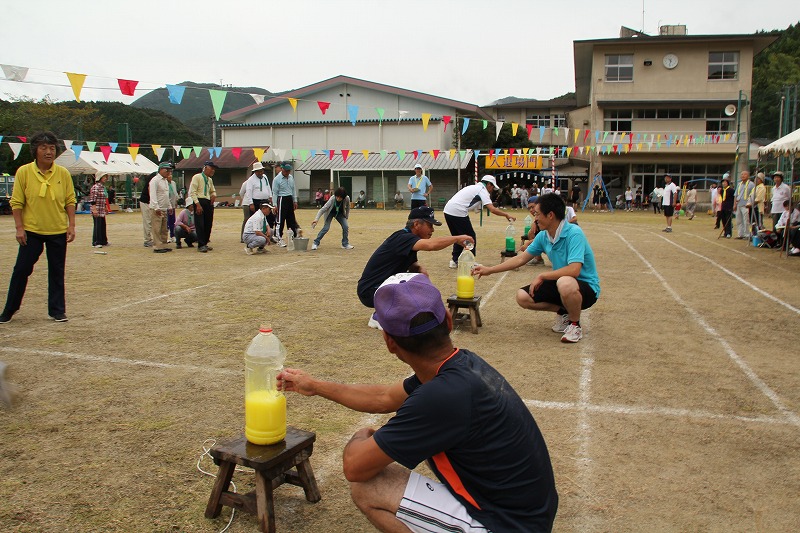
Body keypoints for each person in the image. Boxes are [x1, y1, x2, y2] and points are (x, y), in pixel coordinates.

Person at [278, 273, 558, 532]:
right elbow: (384, 398)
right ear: (448, 322)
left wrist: (361, 436)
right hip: (526, 513)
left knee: (368, 487)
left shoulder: (441, 396)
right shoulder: (459, 364)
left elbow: (355, 467)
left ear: (389, 342)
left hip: (506, 525)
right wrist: (313, 386)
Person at [474, 193, 600, 344]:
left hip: (585, 288)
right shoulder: (544, 236)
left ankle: (574, 325)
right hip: (561, 282)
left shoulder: (574, 233)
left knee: (565, 283)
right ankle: (564, 312)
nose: (535, 218)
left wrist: (543, 276)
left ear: (551, 215)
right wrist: (489, 269)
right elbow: (521, 258)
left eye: (537, 214)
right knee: (522, 297)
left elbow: (574, 270)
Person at [0, 131, 76, 324]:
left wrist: (71, 225)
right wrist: (19, 228)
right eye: (43, 148)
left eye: (51, 148)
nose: (48, 152)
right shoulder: (24, 172)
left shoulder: (63, 173)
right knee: (21, 269)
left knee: (57, 271)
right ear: (35, 150)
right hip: (31, 230)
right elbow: (17, 202)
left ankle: (57, 310)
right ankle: (10, 309)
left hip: (57, 229)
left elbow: (70, 200)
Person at [357, 206, 474, 328]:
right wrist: (457, 238)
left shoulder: (408, 239)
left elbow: (412, 265)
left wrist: (421, 273)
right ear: (417, 224)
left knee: (418, 286)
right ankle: (380, 316)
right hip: (371, 291)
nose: (432, 230)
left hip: (379, 289)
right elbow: (431, 245)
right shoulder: (402, 238)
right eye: (430, 225)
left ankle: (389, 311)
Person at [442, 175, 516, 269]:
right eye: (492, 186)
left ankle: (454, 260)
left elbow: (476, 207)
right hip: (458, 211)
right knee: (470, 237)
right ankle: (470, 263)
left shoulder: (473, 187)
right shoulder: (482, 190)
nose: (492, 189)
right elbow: (492, 209)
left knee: (458, 237)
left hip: (448, 210)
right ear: (489, 184)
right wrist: (506, 215)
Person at [188, 161, 218, 253]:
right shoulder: (197, 177)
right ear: (205, 168)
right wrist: (197, 204)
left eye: (214, 169)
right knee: (200, 224)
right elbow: (192, 192)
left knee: (208, 223)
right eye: (211, 168)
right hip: (199, 200)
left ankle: (205, 242)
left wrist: (213, 195)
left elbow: (212, 190)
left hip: (208, 202)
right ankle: (200, 244)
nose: (213, 171)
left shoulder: (209, 180)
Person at [242, 162, 273, 241]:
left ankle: (268, 234)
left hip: (265, 200)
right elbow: (248, 192)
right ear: (255, 171)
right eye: (259, 171)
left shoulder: (265, 177)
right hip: (256, 201)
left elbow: (268, 187)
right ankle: (255, 237)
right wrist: (251, 203)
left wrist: (270, 196)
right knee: (256, 218)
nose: (261, 172)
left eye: (262, 170)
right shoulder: (251, 180)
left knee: (268, 218)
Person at [272, 162, 300, 246]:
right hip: (281, 198)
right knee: (280, 219)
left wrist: (295, 200)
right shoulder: (277, 179)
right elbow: (275, 192)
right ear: (282, 169)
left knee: (291, 219)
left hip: (289, 198)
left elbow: (293, 189)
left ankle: (293, 236)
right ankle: (278, 237)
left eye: (289, 171)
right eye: (286, 171)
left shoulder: (291, 178)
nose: (288, 173)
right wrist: (275, 205)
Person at [149, 162, 174, 254]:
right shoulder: (155, 180)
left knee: (164, 228)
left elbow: (166, 195)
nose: (168, 172)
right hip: (157, 208)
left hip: (164, 207)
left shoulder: (165, 181)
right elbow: (153, 195)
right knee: (157, 228)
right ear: (160, 170)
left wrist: (169, 206)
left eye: (170, 170)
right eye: (167, 170)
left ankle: (163, 244)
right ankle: (157, 246)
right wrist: (156, 207)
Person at [89, 171, 109, 247]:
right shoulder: (95, 187)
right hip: (97, 209)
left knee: (102, 225)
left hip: (101, 209)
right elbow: (93, 199)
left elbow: (103, 199)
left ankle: (103, 241)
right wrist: (94, 209)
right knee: (97, 225)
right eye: (104, 177)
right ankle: (96, 242)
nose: (106, 179)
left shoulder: (102, 187)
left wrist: (105, 207)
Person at [733, 170, 754, 239]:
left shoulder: (751, 184)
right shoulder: (739, 184)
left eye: (744, 174)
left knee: (746, 220)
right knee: (739, 220)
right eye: (741, 174)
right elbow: (736, 195)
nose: (743, 176)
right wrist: (734, 204)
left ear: (748, 176)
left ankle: (747, 234)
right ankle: (740, 234)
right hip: (738, 204)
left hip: (746, 205)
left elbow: (753, 195)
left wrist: (750, 203)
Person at [139, 171, 156, 247]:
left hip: (152, 201)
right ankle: (147, 240)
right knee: (148, 220)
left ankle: (155, 239)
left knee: (154, 221)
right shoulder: (154, 176)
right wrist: (152, 200)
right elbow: (150, 188)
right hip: (146, 201)